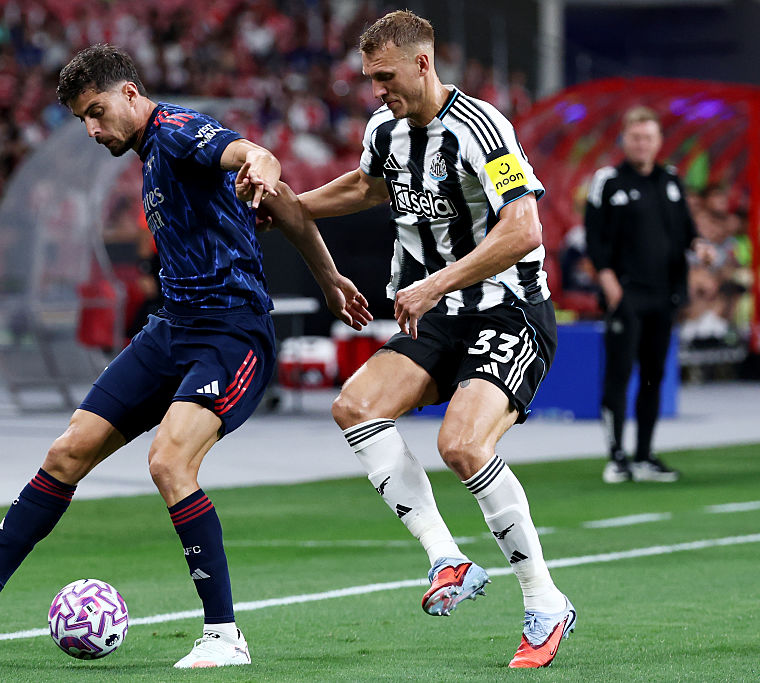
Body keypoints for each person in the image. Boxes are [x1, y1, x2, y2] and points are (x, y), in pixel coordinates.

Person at [0, 43, 370, 668]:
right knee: (68, 450)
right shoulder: (150, 152)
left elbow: (249, 155)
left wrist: (261, 161)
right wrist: (329, 276)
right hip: (172, 330)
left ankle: (225, 636)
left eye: (96, 112)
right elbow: (281, 205)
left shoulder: (176, 133)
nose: (93, 129)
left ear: (129, 93)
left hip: (230, 335)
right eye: (81, 120)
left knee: (170, 460)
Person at [286, 10, 575, 669]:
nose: (376, 89)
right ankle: (447, 558)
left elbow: (525, 227)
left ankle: (545, 600)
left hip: (509, 310)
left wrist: (436, 281)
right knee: (355, 405)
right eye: (368, 78)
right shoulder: (384, 129)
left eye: (385, 76)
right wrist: (287, 201)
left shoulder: (482, 127)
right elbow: (366, 184)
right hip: (439, 316)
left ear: (423, 63)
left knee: (462, 444)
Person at [585, 106, 712, 484]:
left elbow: (687, 231)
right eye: (636, 137)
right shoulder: (607, 181)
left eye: (649, 137)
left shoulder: (670, 180)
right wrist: (610, 284)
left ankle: (644, 454)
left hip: (664, 296)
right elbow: (594, 238)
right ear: (625, 140)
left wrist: (699, 246)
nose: (642, 144)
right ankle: (617, 456)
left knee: (655, 376)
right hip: (626, 296)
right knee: (620, 374)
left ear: (658, 142)